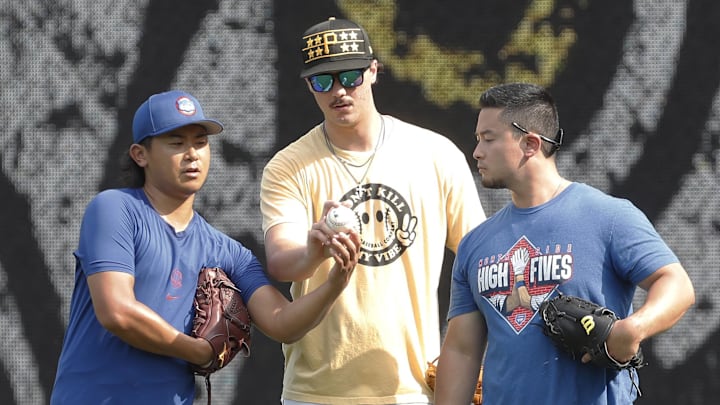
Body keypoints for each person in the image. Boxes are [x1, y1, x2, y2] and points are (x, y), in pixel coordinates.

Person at [50, 90, 359, 404]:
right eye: (176, 142)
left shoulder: (228, 252)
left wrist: (336, 281)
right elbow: (117, 312)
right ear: (140, 155)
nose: (192, 153)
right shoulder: (115, 209)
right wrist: (197, 350)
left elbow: (282, 322)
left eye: (200, 141)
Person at [260, 17, 486, 405]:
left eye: (350, 75)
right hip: (316, 393)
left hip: (411, 390)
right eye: (322, 81)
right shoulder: (288, 166)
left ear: (373, 71)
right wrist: (313, 253)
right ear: (308, 85)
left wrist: (483, 353)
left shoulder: (435, 154)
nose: (338, 91)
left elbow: (481, 262)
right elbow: (281, 262)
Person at [433, 82, 695, 404]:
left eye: (488, 139)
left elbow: (677, 285)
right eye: (477, 140)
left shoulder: (608, 216)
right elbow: (462, 350)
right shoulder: (475, 245)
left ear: (530, 143)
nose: (477, 151)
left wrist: (632, 329)